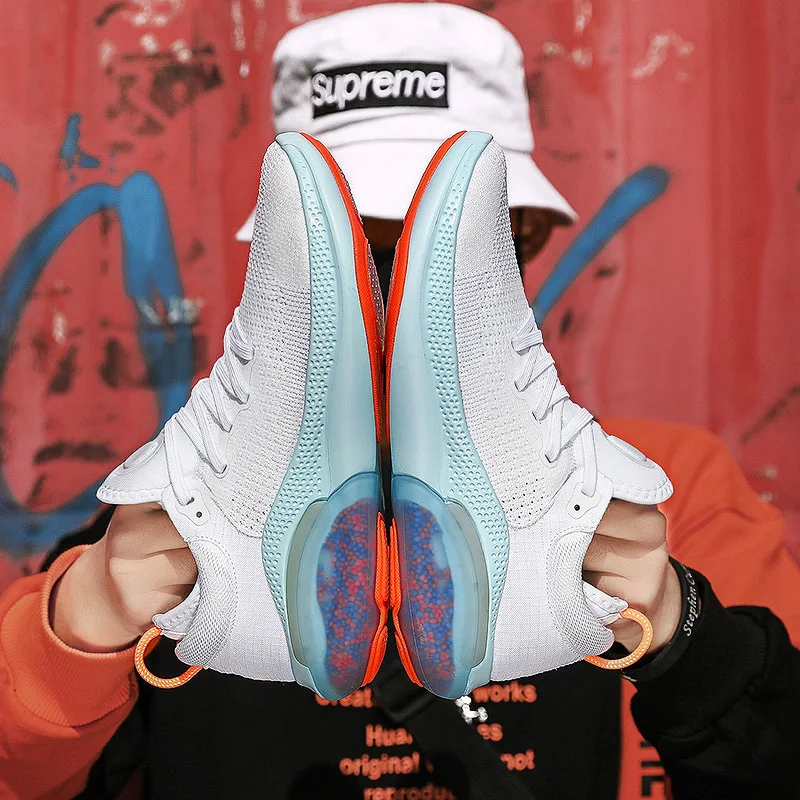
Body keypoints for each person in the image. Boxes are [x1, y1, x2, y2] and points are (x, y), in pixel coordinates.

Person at [2, 5, 800, 800]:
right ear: (284, 261)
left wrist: (675, 624)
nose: (402, 291)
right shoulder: (181, 514)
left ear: (526, 239)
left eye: (454, 247)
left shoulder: (668, 497)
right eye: (359, 246)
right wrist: (89, 616)